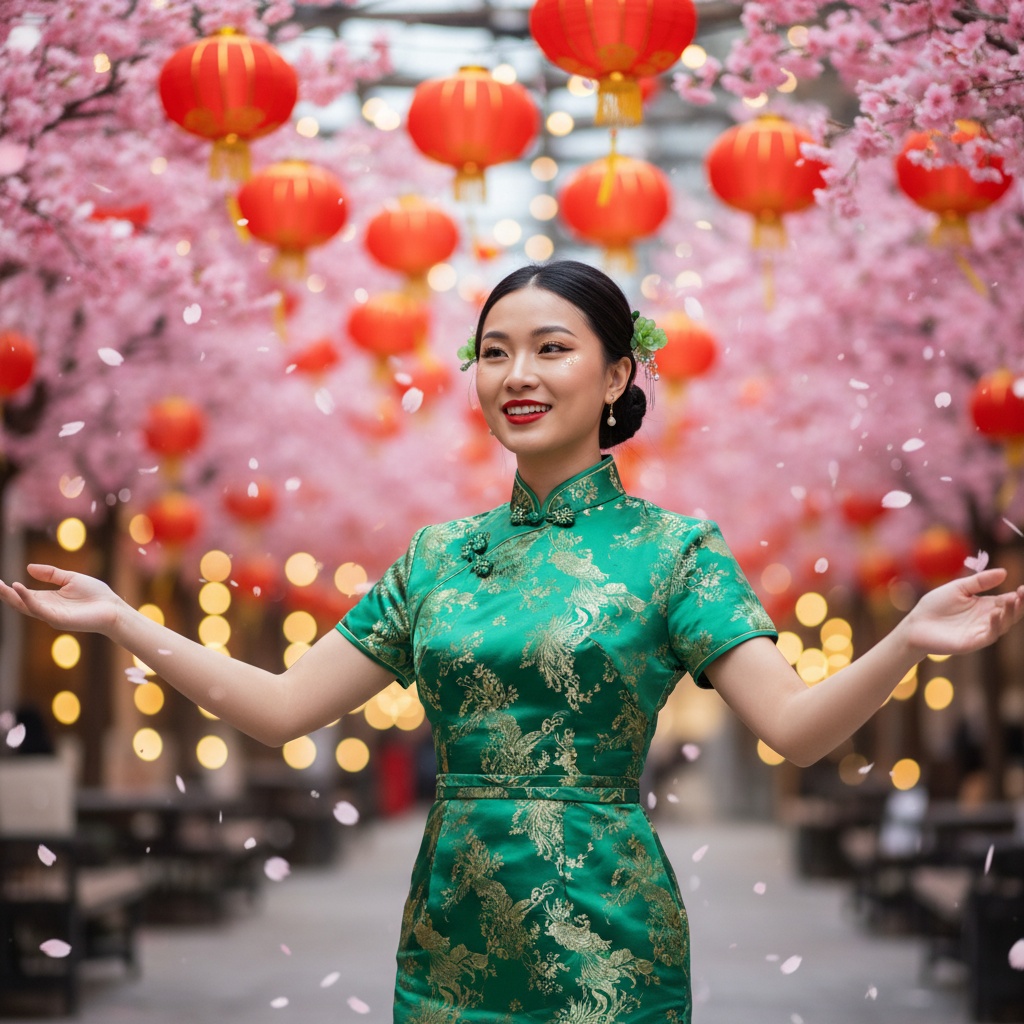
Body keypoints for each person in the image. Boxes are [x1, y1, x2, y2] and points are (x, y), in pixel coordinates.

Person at [2, 260, 1021, 1023]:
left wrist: (905, 645)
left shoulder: (674, 551)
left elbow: (795, 731)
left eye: (550, 346)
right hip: (451, 923)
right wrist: (124, 618)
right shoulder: (435, 556)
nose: (515, 374)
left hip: (608, 932)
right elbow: (278, 706)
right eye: (493, 351)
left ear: (621, 371)